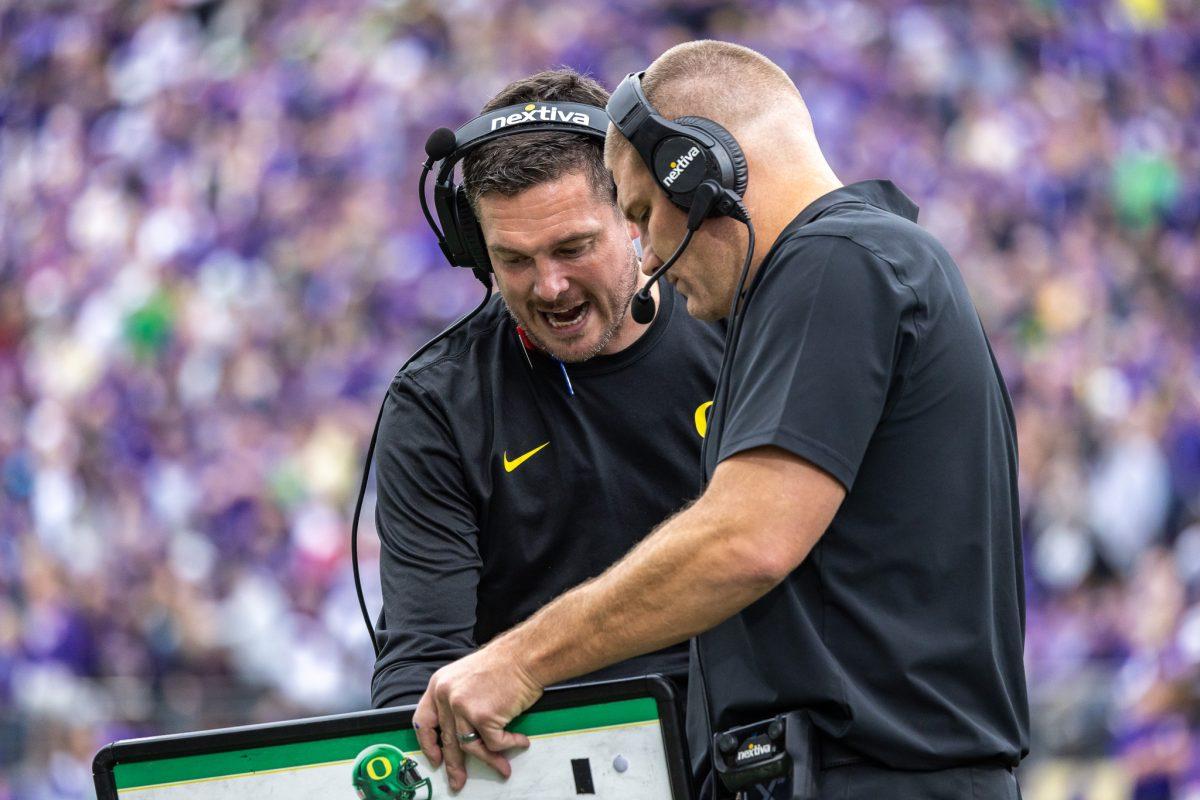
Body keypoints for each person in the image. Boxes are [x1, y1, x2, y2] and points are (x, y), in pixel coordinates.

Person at [411, 41, 1030, 799]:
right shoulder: (860, 262)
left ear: (701, 177)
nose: (646, 249)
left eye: (639, 212)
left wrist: (518, 661)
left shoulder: (832, 259)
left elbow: (746, 542)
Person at [369, 68, 722, 779]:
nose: (549, 287)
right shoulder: (437, 404)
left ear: (636, 212)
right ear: (474, 252)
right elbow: (421, 662)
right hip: (546, 769)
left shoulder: (740, 331)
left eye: (571, 248)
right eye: (513, 260)